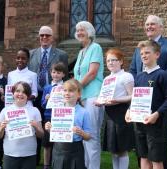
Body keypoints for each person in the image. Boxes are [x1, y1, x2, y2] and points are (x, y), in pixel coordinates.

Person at [129, 15, 167, 169]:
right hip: (140, 108)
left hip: (158, 103)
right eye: (147, 24)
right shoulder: (140, 48)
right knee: (142, 152)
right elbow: (133, 70)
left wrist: (155, 88)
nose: (149, 26)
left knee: (158, 150)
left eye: (152, 24)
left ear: (161, 27)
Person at [29, 25, 68, 165]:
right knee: (36, 126)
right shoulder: (32, 53)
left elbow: (65, 76)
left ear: (52, 38)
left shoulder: (61, 54)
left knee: (51, 126)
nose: (44, 37)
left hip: (54, 95)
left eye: (47, 35)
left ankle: (52, 160)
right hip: (36, 95)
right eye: (42, 35)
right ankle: (35, 158)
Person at [94, 48, 134, 169]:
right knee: (113, 148)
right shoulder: (107, 79)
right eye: (108, 61)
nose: (110, 63)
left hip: (121, 113)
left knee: (121, 149)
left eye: (114, 60)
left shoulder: (126, 76)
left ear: (121, 61)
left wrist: (117, 100)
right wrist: (99, 102)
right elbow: (104, 97)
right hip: (109, 114)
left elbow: (132, 96)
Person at [73, 21, 104, 169]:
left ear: (90, 32)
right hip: (82, 97)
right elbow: (77, 75)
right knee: (84, 136)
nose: (79, 32)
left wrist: (76, 88)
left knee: (92, 136)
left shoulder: (95, 47)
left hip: (93, 96)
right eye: (77, 30)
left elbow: (92, 73)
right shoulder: (81, 52)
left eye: (82, 30)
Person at [0, 81, 44, 169]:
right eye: (18, 91)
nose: (20, 94)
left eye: (24, 92)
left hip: (29, 153)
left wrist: (36, 126)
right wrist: (2, 128)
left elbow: (41, 135)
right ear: (13, 93)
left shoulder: (35, 110)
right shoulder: (5, 111)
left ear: (28, 95)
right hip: (10, 153)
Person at [44, 79, 91, 169]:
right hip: (58, 149)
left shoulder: (84, 112)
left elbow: (88, 137)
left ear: (79, 94)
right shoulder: (57, 110)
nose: (67, 93)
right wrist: (49, 129)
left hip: (76, 149)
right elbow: (55, 133)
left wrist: (81, 132)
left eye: (71, 90)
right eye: (65, 90)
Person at [41, 62, 67, 169]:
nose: (55, 75)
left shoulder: (66, 87)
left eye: (58, 73)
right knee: (47, 144)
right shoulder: (47, 87)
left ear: (63, 74)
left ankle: (58, 164)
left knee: (59, 143)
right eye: (53, 72)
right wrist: (46, 99)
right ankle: (46, 165)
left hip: (61, 117)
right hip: (48, 117)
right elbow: (42, 104)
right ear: (50, 73)